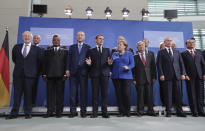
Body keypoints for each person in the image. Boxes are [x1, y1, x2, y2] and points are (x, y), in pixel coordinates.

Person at [6, 31, 41, 119]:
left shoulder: (37, 49)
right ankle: (14, 113)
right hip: (18, 75)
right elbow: (14, 59)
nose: (27, 37)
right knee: (17, 95)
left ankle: (27, 112)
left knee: (28, 95)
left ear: (31, 38)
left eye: (28, 36)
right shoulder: (16, 47)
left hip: (30, 76)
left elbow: (39, 62)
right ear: (22, 37)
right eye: (25, 36)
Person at [157, 37, 186, 117]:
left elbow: (181, 64)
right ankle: (168, 111)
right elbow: (159, 65)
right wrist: (161, 74)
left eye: (170, 41)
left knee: (178, 95)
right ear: (164, 42)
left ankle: (179, 112)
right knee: (168, 95)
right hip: (167, 76)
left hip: (177, 76)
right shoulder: (161, 52)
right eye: (167, 41)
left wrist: (183, 73)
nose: (169, 42)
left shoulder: (177, 52)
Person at [85, 34, 112, 118]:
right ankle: (95, 113)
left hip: (105, 74)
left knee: (105, 94)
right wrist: (89, 65)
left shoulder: (107, 50)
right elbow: (88, 63)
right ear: (96, 40)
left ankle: (105, 112)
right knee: (95, 94)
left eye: (103, 39)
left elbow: (109, 62)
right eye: (100, 39)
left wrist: (110, 64)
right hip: (95, 75)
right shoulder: (90, 50)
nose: (101, 40)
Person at [42, 35, 68, 118]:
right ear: (52, 41)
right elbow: (44, 64)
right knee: (50, 95)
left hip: (61, 76)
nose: (56, 41)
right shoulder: (47, 51)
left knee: (60, 95)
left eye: (57, 40)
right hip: (49, 76)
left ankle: (59, 112)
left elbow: (66, 63)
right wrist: (44, 74)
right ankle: (49, 111)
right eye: (54, 40)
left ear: (60, 41)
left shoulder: (65, 51)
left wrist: (65, 74)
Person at [66, 31, 91, 118]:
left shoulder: (88, 47)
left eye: (82, 35)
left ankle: (83, 112)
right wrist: (67, 69)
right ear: (76, 37)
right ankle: (73, 111)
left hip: (84, 73)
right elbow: (68, 59)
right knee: (73, 94)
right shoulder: (72, 47)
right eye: (78, 35)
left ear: (84, 37)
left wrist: (89, 67)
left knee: (83, 93)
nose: (80, 36)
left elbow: (90, 61)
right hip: (73, 73)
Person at [181, 38, 205, 117]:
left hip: (200, 76)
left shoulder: (199, 52)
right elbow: (182, 66)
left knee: (200, 94)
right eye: (190, 43)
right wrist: (185, 74)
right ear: (186, 44)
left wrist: (204, 74)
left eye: (193, 43)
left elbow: (203, 64)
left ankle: (201, 111)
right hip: (189, 77)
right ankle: (194, 111)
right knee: (192, 94)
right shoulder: (183, 54)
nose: (191, 44)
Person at [133, 41, 157, 116]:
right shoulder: (134, 57)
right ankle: (140, 111)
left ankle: (151, 111)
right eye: (139, 46)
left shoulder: (150, 55)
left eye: (142, 45)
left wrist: (154, 77)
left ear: (145, 46)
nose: (141, 47)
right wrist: (133, 79)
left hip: (149, 78)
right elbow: (133, 69)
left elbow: (153, 67)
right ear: (137, 47)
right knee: (140, 96)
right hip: (139, 79)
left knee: (150, 95)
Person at [111, 40, 135, 117]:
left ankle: (128, 111)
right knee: (119, 95)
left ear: (125, 46)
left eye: (121, 45)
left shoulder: (129, 54)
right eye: (118, 45)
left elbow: (132, 64)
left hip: (126, 77)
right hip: (116, 77)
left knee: (126, 94)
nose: (119, 46)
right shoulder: (114, 54)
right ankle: (121, 112)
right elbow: (111, 64)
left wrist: (128, 67)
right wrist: (109, 64)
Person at [32, 34, 43, 106]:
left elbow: (43, 61)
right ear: (33, 39)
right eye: (35, 38)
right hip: (27, 71)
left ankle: (32, 103)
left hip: (36, 72)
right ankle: (27, 104)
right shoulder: (29, 47)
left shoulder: (42, 49)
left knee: (34, 88)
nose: (36, 39)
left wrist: (41, 72)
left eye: (37, 38)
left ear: (39, 40)